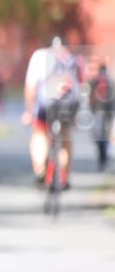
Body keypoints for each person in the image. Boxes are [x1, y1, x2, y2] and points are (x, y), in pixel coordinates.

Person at [22, 37, 83, 189]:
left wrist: (29, 111)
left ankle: (40, 171)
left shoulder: (40, 56)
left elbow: (31, 86)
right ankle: (64, 176)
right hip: (69, 103)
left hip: (47, 102)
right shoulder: (73, 57)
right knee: (66, 135)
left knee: (39, 132)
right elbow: (80, 87)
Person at [89, 62, 114, 170]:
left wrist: (91, 109)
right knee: (105, 135)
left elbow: (91, 97)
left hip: (99, 111)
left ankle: (102, 157)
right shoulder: (109, 80)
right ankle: (103, 156)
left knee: (100, 135)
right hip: (107, 111)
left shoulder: (95, 81)